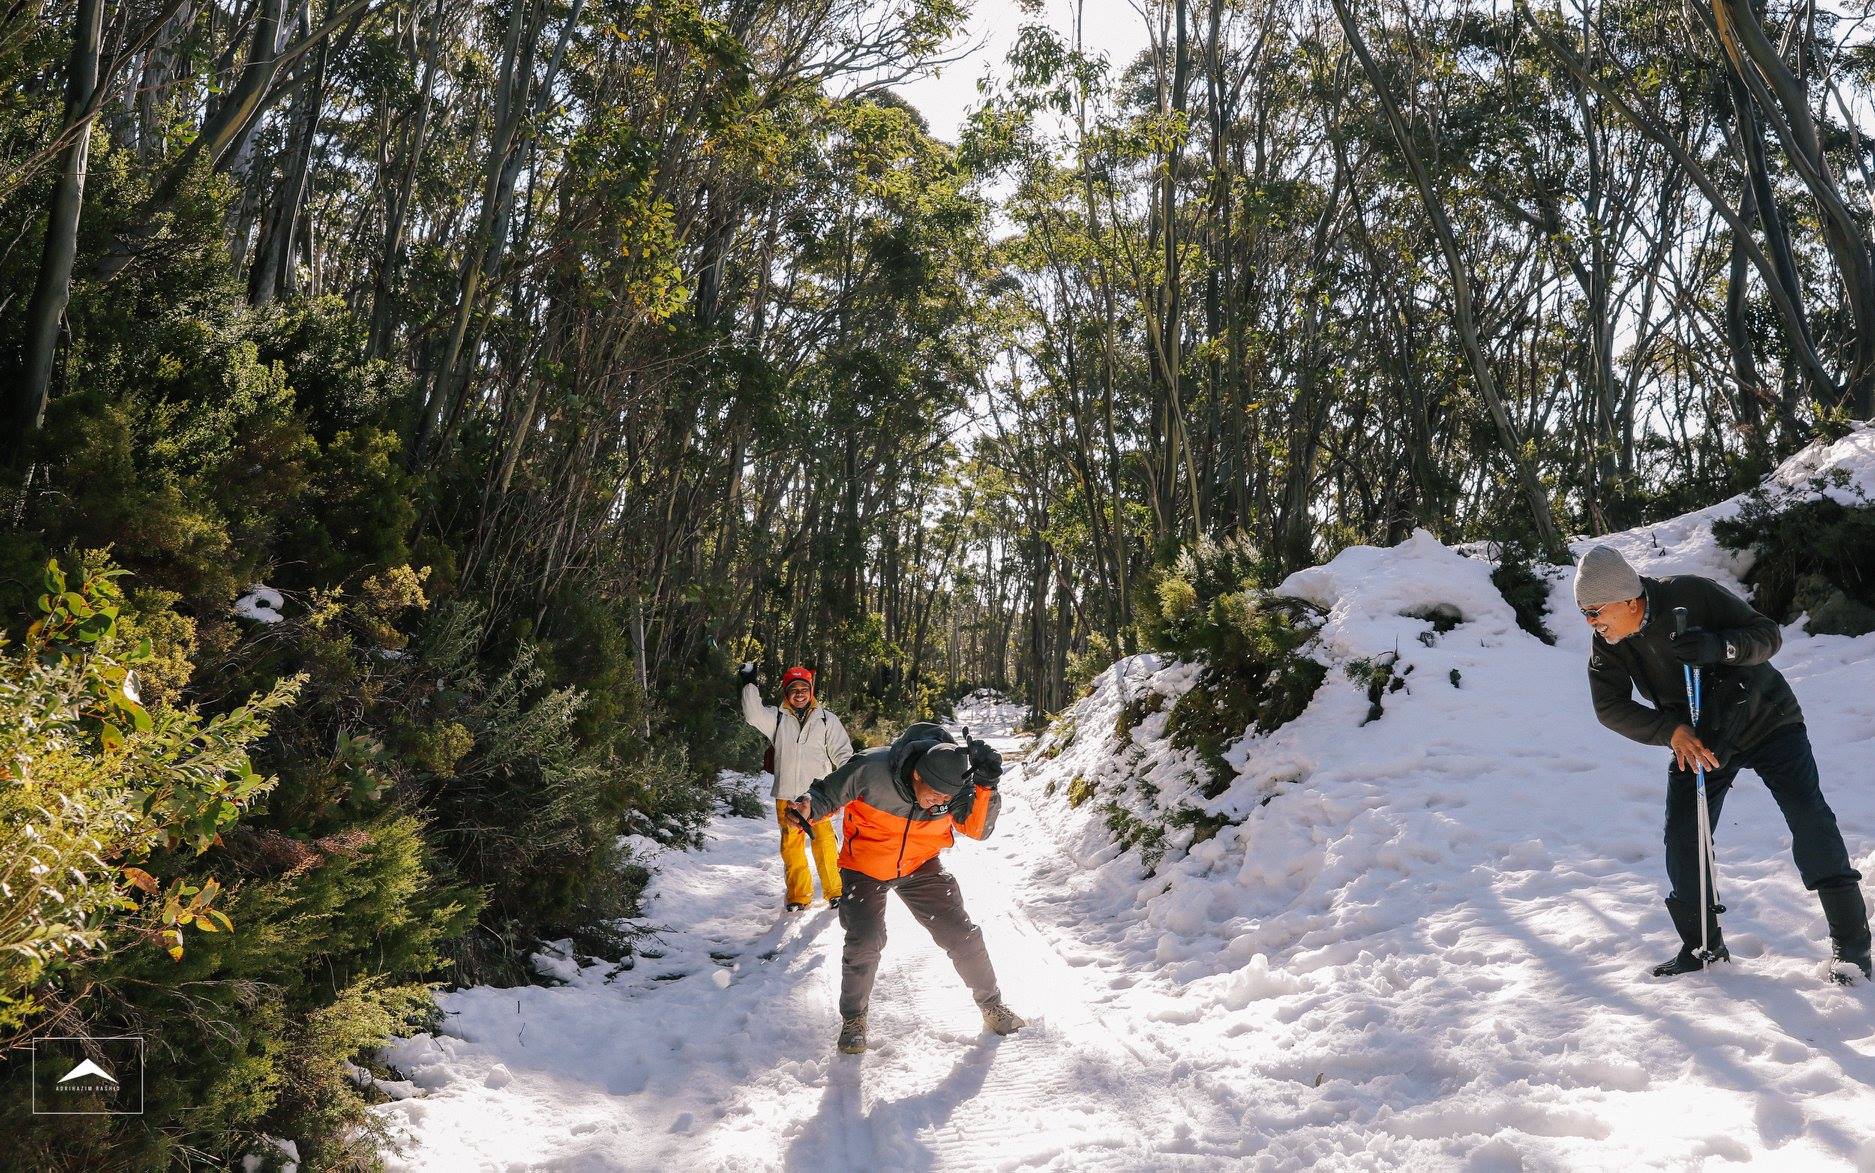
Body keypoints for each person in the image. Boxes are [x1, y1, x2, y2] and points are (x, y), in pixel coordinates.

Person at [1574, 544, 1871, 982]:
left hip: (1767, 719)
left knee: (1809, 818)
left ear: (1629, 599)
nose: (1591, 622)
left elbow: (1767, 635)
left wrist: (1720, 647)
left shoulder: (1691, 595)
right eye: (1584, 613)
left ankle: (1852, 946)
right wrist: (1669, 731)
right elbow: (1609, 707)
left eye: (1595, 611)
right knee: (1684, 836)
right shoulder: (1609, 642)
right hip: (1701, 738)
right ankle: (1702, 947)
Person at [791, 722, 1026, 1053]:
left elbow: (978, 830)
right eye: (934, 795)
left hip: (920, 865)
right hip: (864, 866)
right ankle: (854, 1020)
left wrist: (986, 786)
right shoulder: (870, 768)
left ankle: (992, 1006)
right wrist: (807, 807)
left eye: (945, 799)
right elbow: (826, 795)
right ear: (917, 775)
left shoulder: (956, 786)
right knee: (865, 940)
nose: (938, 803)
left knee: (962, 934)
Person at [740, 663, 854, 912]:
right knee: (791, 848)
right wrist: (749, 683)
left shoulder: (827, 719)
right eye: (794, 689)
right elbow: (752, 715)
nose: (799, 694)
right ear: (786, 692)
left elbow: (844, 754)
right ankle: (798, 897)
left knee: (824, 843)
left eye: (804, 688)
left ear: (811, 690)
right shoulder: (777, 718)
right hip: (787, 795)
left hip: (819, 796)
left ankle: (836, 892)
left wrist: (846, 784)